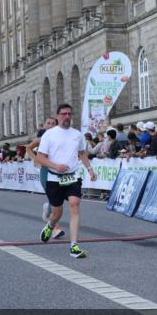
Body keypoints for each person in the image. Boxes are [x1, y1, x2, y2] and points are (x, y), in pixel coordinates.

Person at [36, 104, 96, 259]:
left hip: (72, 177)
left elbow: (82, 154)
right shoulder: (49, 135)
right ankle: (50, 225)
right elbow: (40, 157)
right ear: (58, 116)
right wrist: (56, 166)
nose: (67, 116)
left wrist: (90, 170)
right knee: (58, 212)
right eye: (64, 114)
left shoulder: (77, 134)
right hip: (54, 178)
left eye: (69, 114)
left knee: (75, 205)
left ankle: (74, 246)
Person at [27, 117, 65, 239]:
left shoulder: (61, 138)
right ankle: (55, 228)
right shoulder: (41, 139)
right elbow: (28, 148)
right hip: (46, 170)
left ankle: (47, 207)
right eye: (48, 123)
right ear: (44, 126)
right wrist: (36, 159)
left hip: (58, 170)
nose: (51, 125)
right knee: (53, 197)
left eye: (53, 123)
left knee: (58, 197)